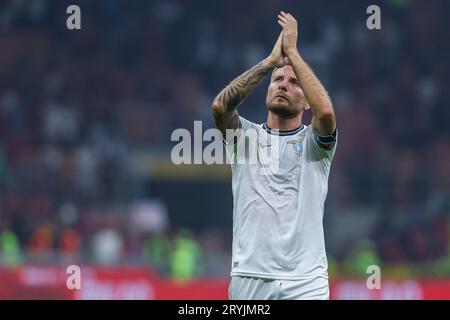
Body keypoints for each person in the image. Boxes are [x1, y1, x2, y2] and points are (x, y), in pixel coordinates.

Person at [211, 12, 337, 300]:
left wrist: (292, 52)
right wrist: (270, 63)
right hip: (250, 277)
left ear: (306, 101)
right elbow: (220, 107)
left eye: (294, 83)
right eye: (277, 80)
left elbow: (327, 113)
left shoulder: (315, 145)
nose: (282, 84)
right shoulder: (243, 137)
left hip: (306, 281)